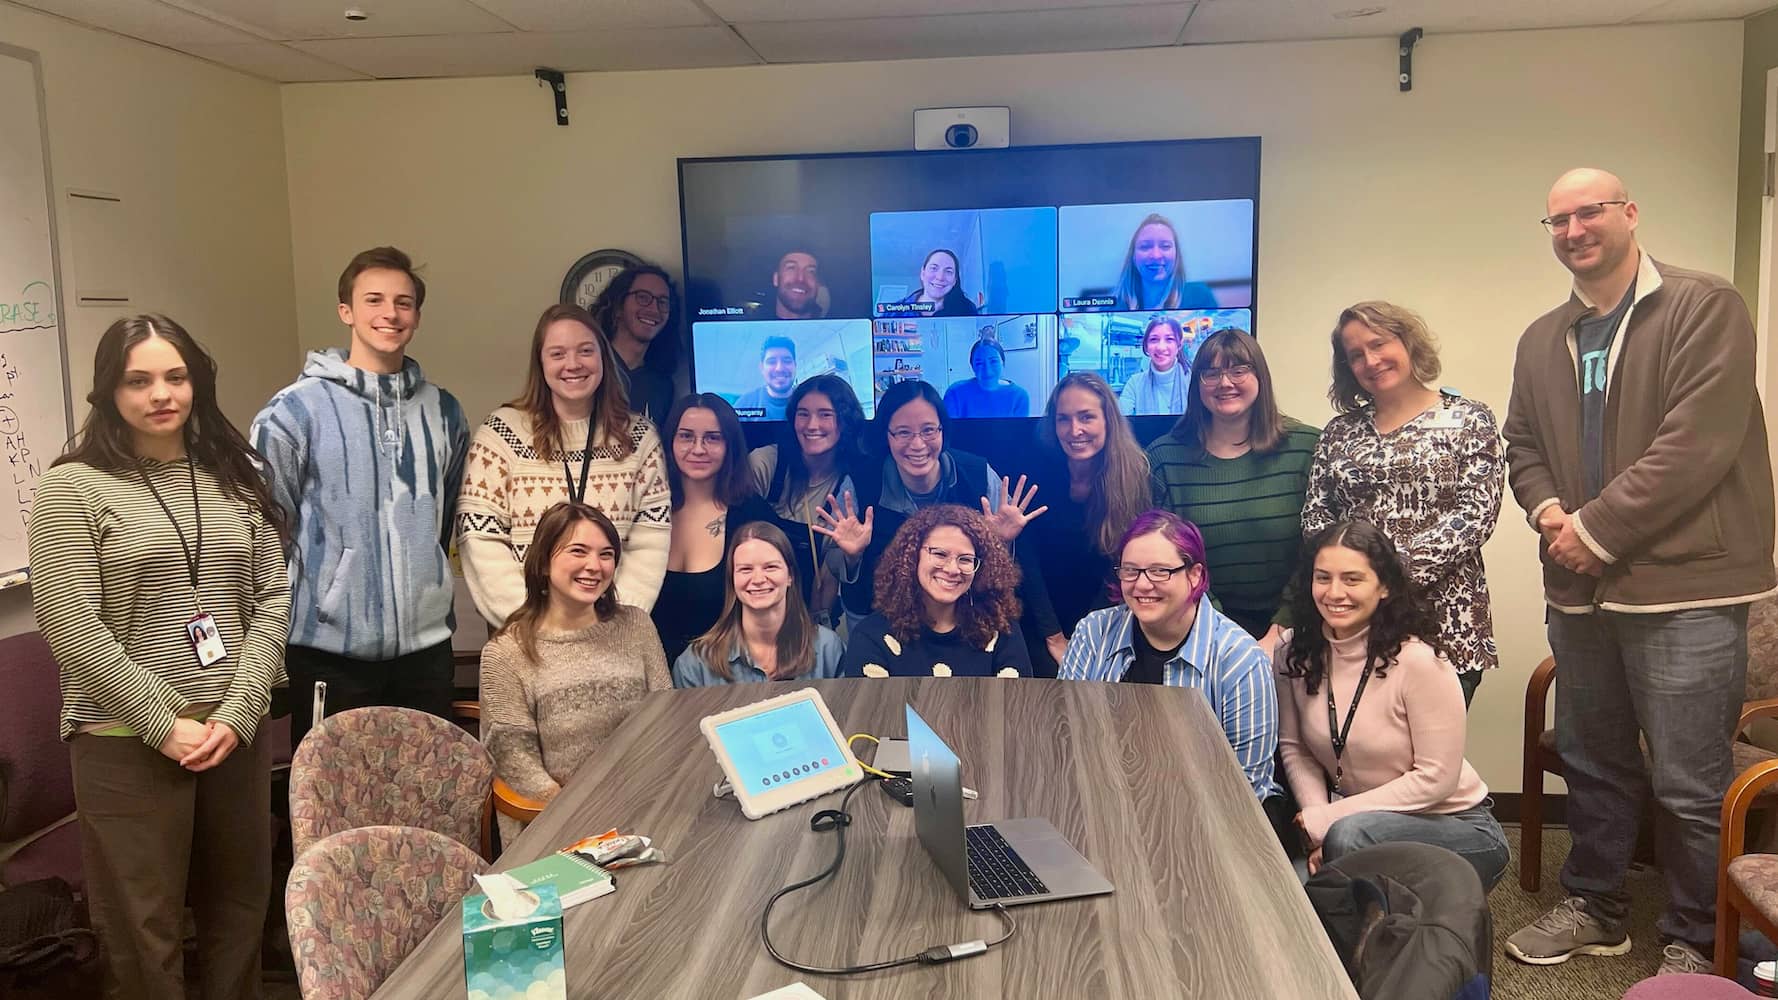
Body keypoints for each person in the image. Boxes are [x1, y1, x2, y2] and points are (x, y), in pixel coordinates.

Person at [1502, 168, 1777, 977]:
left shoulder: (1704, 305)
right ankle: (1597, 906)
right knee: (1594, 761)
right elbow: (1522, 445)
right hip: (1578, 592)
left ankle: (1697, 937)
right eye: (1556, 219)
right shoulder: (1541, 336)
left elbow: (1699, 443)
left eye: (1590, 211)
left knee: (1691, 781)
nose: (1574, 229)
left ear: (1629, 214)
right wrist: (1550, 513)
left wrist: (1596, 529)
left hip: (1686, 589)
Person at [30, 315, 291, 1000]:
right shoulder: (73, 487)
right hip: (126, 744)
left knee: (239, 914)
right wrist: (161, 721)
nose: (160, 394)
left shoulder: (236, 477)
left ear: (197, 382)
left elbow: (270, 598)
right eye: (138, 380)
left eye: (175, 376)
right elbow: (68, 620)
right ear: (108, 392)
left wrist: (238, 713)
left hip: (233, 735)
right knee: (144, 940)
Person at [251, 246, 468, 743]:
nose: (389, 314)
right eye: (373, 300)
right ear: (345, 311)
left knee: (428, 795)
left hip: (426, 651)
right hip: (330, 654)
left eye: (403, 302)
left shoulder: (445, 411)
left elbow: (443, 514)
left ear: (416, 316)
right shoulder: (293, 413)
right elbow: (265, 531)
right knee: (335, 807)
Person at [1275, 521, 1508, 890]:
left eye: (1352, 579)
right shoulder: (1292, 651)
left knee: (1349, 843)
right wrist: (1318, 823)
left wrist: (1333, 819)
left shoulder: (1420, 662)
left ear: (1383, 587)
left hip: (1460, 828)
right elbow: (1295, 747)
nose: (1335, 593)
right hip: (1350, 827)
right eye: (1323, 578)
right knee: (1291, 891)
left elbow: (1436, 779)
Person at [1301, 301, 1500, 704]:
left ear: (1408, 343)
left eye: (1379, 344)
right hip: (1353, 624)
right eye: (1355, 355)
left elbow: (1475, 514)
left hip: (1444, 624)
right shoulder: (1339, 432)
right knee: (1356, 754)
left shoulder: (1468, 419)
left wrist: (1384, 577)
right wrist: (1353, 581)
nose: (1370, 360)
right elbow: (1317, 514)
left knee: (1428, 759)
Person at [458, 303, 672, 623]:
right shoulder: (500, 435)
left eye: (585, 351)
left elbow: (650, 544)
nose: (573, 364)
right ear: (540, 363)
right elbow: (480, 541)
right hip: (525, 633)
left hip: (613, 633)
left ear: (603, 358)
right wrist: (535, 622)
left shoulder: (640, 438)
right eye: (557, 354)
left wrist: (614, 621)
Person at [479, 503, 670, 840]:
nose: (594, 566)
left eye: (606, 554)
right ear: (543, 561)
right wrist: (586, 818)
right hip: (559, 826)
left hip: (650, 809)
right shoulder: (506, 653)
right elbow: (514, 761)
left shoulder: (637, 626)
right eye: (578, 551)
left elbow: (665, 722)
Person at [1060, 512, 1278, 803]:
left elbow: (1247, 785)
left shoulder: (1239, 660)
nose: (1142, 585)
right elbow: (1066, 735)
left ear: (1195, 574)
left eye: (1160, 571)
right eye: (1130, 570)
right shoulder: (1093, 633)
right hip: (1102, 800)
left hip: (1206, 815)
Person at [815, 380, 1044, 621]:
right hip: (878, 620)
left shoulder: (977, 474)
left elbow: (1004, 572)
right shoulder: (861, 484)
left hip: (963, 616)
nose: (917, 444)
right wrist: (853, 555)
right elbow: (834, 566)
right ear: (886, 435)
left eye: (928, 430)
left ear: (942, 430)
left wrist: (1000, 544)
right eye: (903, 432)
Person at [1148, 328, 1321, 645]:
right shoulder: (1164, 458)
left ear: (1260, 377)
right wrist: (1223, 638)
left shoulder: (1307, 447)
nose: (1224, 383)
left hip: (1297, 628)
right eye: (1211, 373)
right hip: (1199, 631)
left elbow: (1319, 548)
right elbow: (1166, 557)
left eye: (1238, 370)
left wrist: (1280, 630)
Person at [1020, 372, 1160, 676]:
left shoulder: (1136, 476)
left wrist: (1087, 638)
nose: (1075, 430)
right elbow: (1027, 563)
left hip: (1110, 620)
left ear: (1108, 419)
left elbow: (1122, 569)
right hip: (1043, 622)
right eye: (1063, 419)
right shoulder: (1035, 471)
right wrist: (1054, 637)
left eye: (1086, 417)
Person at [652, 393, 776, 665]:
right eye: (686, 436)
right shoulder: (647, 509)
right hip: (650, 672)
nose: (698, 448)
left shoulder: (753, 515)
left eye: (712, 438)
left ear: (730, 446)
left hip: (724, 673)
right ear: (669, 441)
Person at [840, 505, 1030, 678]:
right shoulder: (871, 635)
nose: (952, 569)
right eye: (940, 554)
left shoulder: (1002, 629)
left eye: (965, 559)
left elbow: (1016, 709)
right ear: (912, 557)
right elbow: (872, 714)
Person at [749, 374, 868, 617]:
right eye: (803, 414)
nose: (812, 425)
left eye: (825, 414)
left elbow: (831, 574)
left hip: (810, 612)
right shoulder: (766, 464)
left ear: (844, 422)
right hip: (752, 603)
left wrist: (852, 556)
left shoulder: (849, 486)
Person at [673, 521, 847, 686]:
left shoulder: (828, 648)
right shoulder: (695, 665)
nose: (758, 579)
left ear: (790, 576)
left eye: (770, 567)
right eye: (745, 569)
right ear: (732, 579)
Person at [590, 262, 678, 426]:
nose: (654, 309)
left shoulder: (662, 386)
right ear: (618, 307)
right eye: (643, 298)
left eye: (662, 302)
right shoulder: (589, 369)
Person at [1110, 213, 1218, 312]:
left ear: (1177, 255)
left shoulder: (1200, 296)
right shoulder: (1112, 305)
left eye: (1165, 246)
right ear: (1133, 256)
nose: (1156, 256)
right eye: (1145, 246)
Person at [1118, 315, 1192, 416]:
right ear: (1146, 346)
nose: (1161, 347)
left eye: (1169, 339)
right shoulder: (1134, 384)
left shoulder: (1194, 381)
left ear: (1179, 345)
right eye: (1154, 339)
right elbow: (1119, 421)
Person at [942, 339, 1028, 417]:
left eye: (993, 361)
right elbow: (949, 431)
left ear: (1003, 362)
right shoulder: (955, 393)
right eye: (979, 364)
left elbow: (1019, 432)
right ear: (972, 367)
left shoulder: (1019, 396)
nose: (987, 370)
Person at [896, 248, 978, 317]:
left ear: (955, 280)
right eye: (934, 268)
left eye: (948, 271)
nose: (940, 277)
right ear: (923, 273)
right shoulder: (895, 311)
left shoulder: (968, 310)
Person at [732, 336, 798, 420]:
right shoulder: (745, 403)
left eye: (787, 361)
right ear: (762, 368)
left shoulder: (808, 401)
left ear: (795, 365)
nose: (779, 368)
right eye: (772, 362)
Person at [749, 248, 824, 320]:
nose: (800, 279)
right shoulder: (750, 328)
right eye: (791, 268)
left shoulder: (832, 328)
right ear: (776, 279)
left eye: (810, 271)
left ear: (818, 283)